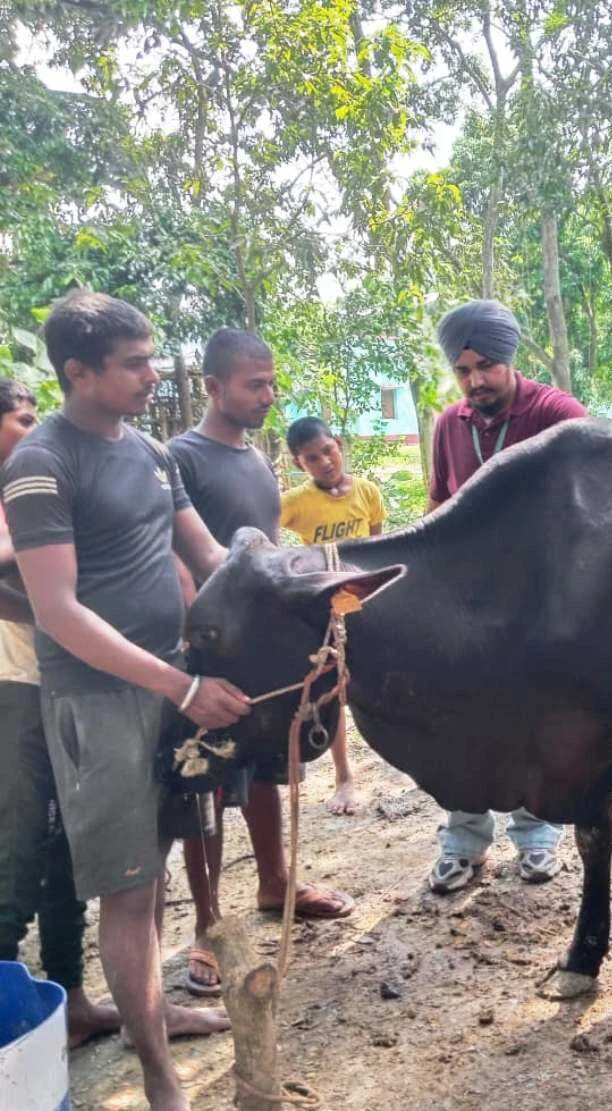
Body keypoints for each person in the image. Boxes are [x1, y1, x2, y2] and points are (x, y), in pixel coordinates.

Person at [3, 291, 241, 1111]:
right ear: (78, 372)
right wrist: (181, 685)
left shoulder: (151, 452)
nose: (152, 373)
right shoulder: (39, 462)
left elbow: (206, 550)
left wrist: (285, 584)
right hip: (101, 703)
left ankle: (148, 1013)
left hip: (174, 687)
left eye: (150, 358)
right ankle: (158, 1076)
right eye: (134, 363)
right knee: (127, 887)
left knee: (160, 865)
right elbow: (60, 611)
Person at [169, 330, 355, 998]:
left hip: (262, 656)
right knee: (207, 793)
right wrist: (196, 660)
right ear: (213, 386)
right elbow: (180, 558)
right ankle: (207, 922)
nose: (268, 396)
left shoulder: (255, 461)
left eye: (272, 382)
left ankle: (276, 883)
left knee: (263, 774)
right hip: (212, 655)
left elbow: (265, 553)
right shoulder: (180, 458)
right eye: (255, 385)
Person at [427, 298, 587, 894]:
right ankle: (463, 840)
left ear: (509, 359)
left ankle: (537, 835)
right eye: (463, 371)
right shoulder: (450, 425)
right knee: (465, 717)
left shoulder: (557, 414)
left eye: (485, 367)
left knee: (535, 716)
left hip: (540, 601)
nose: (475, 382)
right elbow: (440, 504)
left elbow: (589, 508)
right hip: (471, 603)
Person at [0, 378, 122, 1048]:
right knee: (16, 852)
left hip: (56, 682)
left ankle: (70, 997)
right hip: (13, 689)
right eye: (22, 417)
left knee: (67, 850)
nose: (35, 425)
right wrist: (50, 608)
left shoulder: (40, 486)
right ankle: (10, 1021)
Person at [281, 415, 386, 815]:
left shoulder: (368, 492)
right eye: (312, 458)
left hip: (363, 602)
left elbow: (378, 546)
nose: (325, 461)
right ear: (299, 464)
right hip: (324, 608)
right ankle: (344, 776)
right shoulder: (295, 503)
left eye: (328, 450)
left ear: (338, 444)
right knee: (333, 690)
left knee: (372, 679)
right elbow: (261, 528)